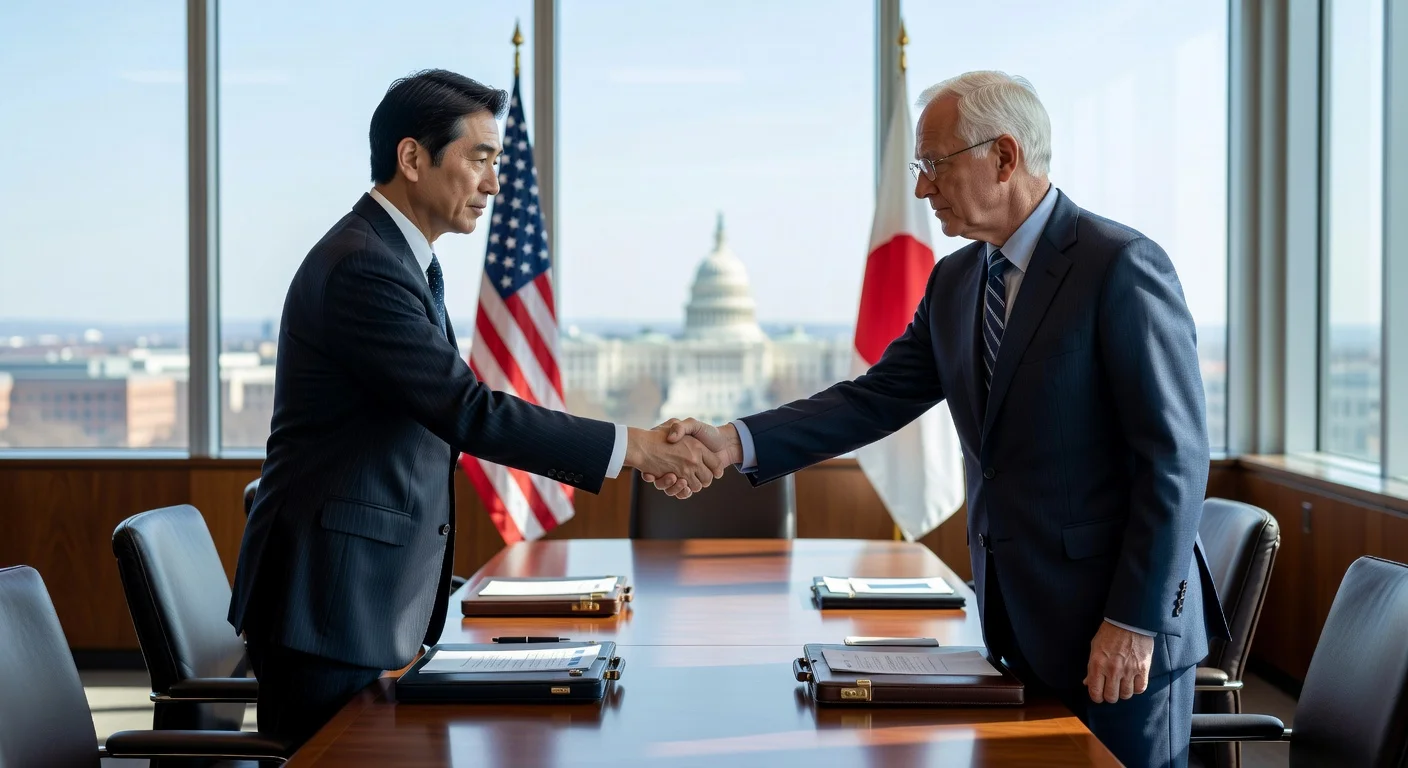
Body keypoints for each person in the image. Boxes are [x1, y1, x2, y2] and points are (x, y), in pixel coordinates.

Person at [646, 71, 1226, 768]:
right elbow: (872, 399)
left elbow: (1175, 460)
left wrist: (1132, 622)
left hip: (1117, 638)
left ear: (1004, 158)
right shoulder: (956, 280)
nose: (922, 189)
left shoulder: (1121, 266)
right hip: (1014, 627)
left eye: (935, 166)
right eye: (920, 169)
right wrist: (733, 440)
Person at [226, 69, 723, 748]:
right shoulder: (362, 267)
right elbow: (467, 410)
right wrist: (635, 447)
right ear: (412, 158)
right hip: (331, 606)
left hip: (363, 597)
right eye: (480, 159)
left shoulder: (401, 260)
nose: (494, 184)